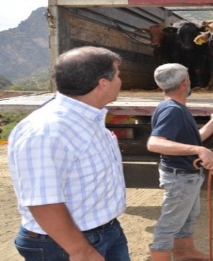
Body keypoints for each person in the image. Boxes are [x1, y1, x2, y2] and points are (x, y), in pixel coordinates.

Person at [8, 46, 130, 261]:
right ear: (103, 83)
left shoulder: (88, 118)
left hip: (104, 231)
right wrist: (81, 251)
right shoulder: (47, 131)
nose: (121, 81)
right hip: (63, 245)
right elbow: (43, 201)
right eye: (118, 75)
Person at [147, 63, 213, 261]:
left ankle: (184, 252)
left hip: (184, 175)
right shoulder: (172, 110)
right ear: (185, 83)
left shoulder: (174, 108)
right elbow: (155, 143)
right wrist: (198, 150)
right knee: (171, 222)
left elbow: (192, 140)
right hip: (180, 177)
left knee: (187, 216)